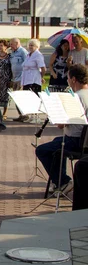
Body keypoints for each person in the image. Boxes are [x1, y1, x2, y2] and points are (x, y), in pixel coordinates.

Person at [36, 64, 88, 193]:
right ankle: (60, 181)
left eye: (68, 78)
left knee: (42, 150)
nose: (67, 81)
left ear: (74, 79)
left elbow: (61, 125)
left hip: (76, 140)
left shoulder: (76, 97)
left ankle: (63, 182)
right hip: (85, 140)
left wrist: (53, 112)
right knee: (56, 143)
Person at [9, 37, 29, 122]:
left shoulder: (23, 52)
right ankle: (21, 115)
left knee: (20, 97)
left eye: (11, 44)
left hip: (21, 78)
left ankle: (25, 115)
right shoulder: (12, 53)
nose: (10, 46)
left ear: (17, 44)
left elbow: (27, 63)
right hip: (15, 78)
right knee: (16, 98)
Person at [0, 40, 13, 119]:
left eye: (1, 45)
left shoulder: (9, 56)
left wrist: (11, 79)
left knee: (6, 95)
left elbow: (12, 67)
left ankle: (5, 113)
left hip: (6, 78)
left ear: (6, 47)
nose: (0, 47)